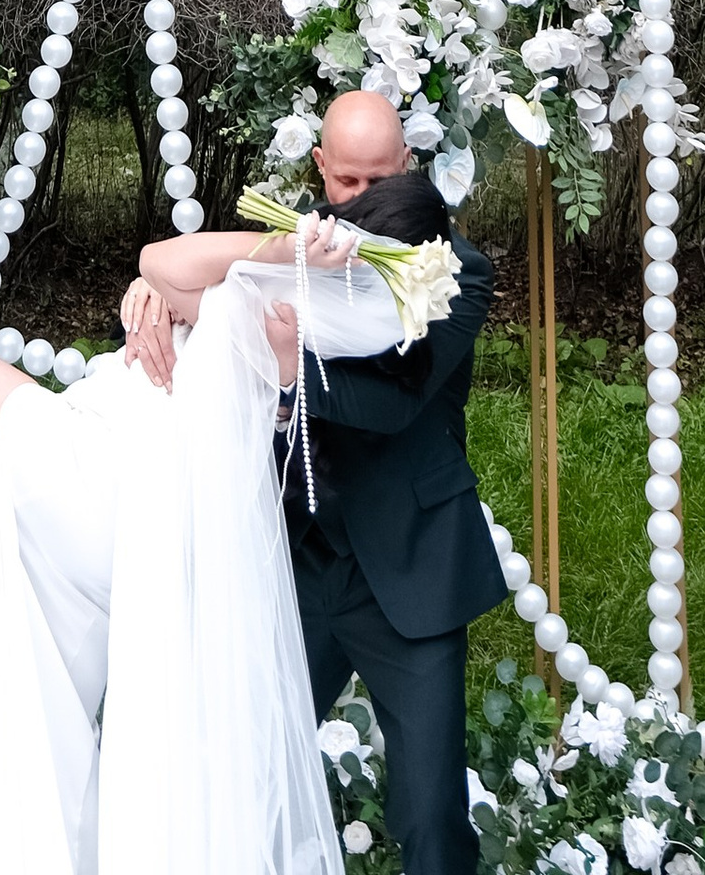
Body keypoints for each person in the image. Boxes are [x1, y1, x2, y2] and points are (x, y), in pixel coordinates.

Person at [0, 201, 366, 875]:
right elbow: (162, 277)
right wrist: (160, 298)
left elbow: (159, 260)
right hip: (148, 546)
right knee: (56, 732)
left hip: (102, 475)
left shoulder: (296, 287)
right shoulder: (324, 307)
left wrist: (283, 249)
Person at [123, 90, 504, 875]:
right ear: (320, 167)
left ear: (408, 165)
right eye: (346, 183)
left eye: (379, 181)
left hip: (410, 560)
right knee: (248, 772)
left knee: (430, 813)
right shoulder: (290, 237)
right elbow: (206, 293)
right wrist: (152, 296)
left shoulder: (456, 270)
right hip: (296, 556)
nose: (360, 201)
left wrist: (295, 370)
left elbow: (400, 405)